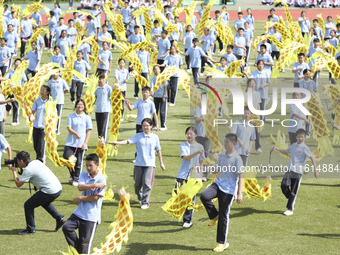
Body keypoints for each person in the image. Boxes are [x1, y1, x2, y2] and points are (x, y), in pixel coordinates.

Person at [200, 133, 243, 252]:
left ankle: (222, 243)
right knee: (204, 196)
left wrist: (239, 194)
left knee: (224, 216)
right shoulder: (222, 155)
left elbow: (241, 176)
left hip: (228, 191)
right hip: (218, 184)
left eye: (227, 142)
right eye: (224, 142)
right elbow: (216, 170)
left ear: (233, 144)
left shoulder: (237, 159)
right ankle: (214, 215)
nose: (224, 144)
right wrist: (205, 168)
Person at [109, 118, 165, 209]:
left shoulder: (155, 138)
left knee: (147, 183)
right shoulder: (138, 136)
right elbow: (128, 141)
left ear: (151, 126)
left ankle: (145, 202)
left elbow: (158, 150)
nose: (145, 127)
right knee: (137, 184)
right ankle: (140, 197)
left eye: (147, 125)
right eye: (143, 125)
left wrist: (161, 163)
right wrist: (117, 142)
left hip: (150, 164)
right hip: (139, 163)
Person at [10, 151, 65, 235]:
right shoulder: (36, 162)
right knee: (43, 202)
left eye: (17, 161)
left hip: (49, 191)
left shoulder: (28, 170)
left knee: (28, 205)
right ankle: (59, 218)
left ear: (21, 161)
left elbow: (18, 184)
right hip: (58, 188)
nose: (17, 163)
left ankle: (31, 229)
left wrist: (14, 171)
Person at [62, 153, 106, 255]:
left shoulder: (102, 179)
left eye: (90, 165)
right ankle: (78, 251)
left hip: (91, 217)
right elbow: (80, 187)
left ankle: (80, 252)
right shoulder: (84, 174)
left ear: (97, 165)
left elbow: (95, 198)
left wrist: (80, 197)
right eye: (86, 165)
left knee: (84, 244)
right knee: (66, 227)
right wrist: (94, 185)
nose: (88, 168)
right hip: (79, 213)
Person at [270, 129, 318, 216]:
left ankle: (290, 209)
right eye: (299, 136)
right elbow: (285, 152)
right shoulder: (293, 145)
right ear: (296, 137)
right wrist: (276, 148)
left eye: (302, 137)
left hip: (298, 172)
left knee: (293, 191)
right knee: (283, 185)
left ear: (305, 138)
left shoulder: (305, 148)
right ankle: (291, 198)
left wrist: (315, 170)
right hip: (290, 169)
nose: (301, 138)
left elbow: (312, 158)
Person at [176, 127, 204, 228]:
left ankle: (187, 220)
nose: (189, 136)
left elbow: (201, 162)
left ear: (195, 135)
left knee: (190, 198)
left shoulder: (200, 146)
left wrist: (200, 175)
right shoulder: (183, 145)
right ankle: (182, 214)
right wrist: (197, 152)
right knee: (179, 196)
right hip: (182, 175)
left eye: (191, 134)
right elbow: (186, 157)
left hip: (193, 177)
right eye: (187, 133)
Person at [63, 99, 92, 186]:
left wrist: (85, 143)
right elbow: (69, 128)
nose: (80, 106)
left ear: (84, 107)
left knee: (79, 162)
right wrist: (76, 134)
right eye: (78, 105)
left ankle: (76, 178)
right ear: (75, 106)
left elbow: (89, 131)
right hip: (70, 142)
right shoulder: (71, 116)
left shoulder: (87, 117)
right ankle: (72, 175)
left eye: (82, 105)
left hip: (81, 144)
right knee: (67, 159)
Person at [48, 70, 69, 135]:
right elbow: (48, 90)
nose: (55, 74)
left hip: (60, 101)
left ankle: (57, 130)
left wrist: (62, 93)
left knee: (58, 116)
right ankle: (51, 128)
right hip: (52, 101)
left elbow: (67, 89)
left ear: (59, 73)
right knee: (51, 115)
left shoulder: (62, 81)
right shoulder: (50, 82)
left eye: (56, 72)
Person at [150, 65, 168, 131]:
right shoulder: (153, 79)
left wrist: (164, 96)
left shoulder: (163, 77)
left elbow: (165, 87)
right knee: (155, 111)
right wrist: (151, 93)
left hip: (162, 96)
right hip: (156, 96)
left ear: (160, 70)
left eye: (157, 69)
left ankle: (163, 125)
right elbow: (151, 87)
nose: (156, 70)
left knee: (162, 111)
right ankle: (154, 124)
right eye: (155, 69)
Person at [94, 74, 112, 140]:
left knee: (104, 127)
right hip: (98, 110)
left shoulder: (108, 88)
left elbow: (111, 98)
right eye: (98, 79)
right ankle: (100, 140)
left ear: (104, 79)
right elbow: (94, 98)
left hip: (105, 110)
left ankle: (103, 141)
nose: (99, 80)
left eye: (100, 79)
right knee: (99, 127)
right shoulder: (96, 88)